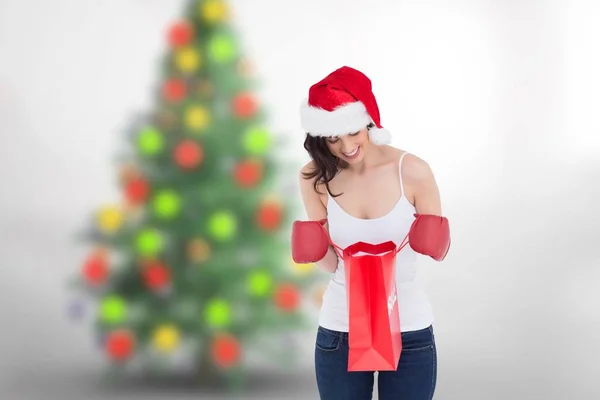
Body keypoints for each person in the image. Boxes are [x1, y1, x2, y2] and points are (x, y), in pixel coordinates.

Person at [293, 66, 450, 400]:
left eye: (352, 132)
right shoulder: (313, 177)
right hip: (341, 330)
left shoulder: (413, 171)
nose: (346, 146)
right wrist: (315, 247)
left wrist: (434, 237)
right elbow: (331, 264)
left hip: (409, 330)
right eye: (333, 138)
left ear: (368, 121)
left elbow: (437, 246)